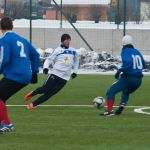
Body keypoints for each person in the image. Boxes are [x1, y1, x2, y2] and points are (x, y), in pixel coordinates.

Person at [0, 16, 40, 133]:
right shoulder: (22, 39)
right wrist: (35, 72)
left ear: (1, 27)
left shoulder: (4, 40)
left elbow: (4, 59)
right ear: (12, 26)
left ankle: (7, 124)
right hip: (25, 75)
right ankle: (3, 123)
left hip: (15, 75)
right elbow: (36, 55)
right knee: (2, 97)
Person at [24, 34, 79, 109]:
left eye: (69, 40)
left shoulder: (73, 51)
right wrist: (45, 68)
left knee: (50, 93)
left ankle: (33, 105)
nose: (68, 42)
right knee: (44, 89)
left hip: (65, 77)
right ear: (62, 41)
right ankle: (32, 93)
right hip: (55, 74)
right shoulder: (57, 50)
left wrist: (75, 72)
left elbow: (76, 61)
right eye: (66, 40)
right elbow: (49, 59)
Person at [101, 35, 145, 116]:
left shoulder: (125, 51)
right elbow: (143, 64)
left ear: (123, 44)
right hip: (138, 81)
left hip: (129, 78)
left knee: (111, 91)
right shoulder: (137, 51)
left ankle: (109, 111)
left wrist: (119, 71)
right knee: (126, 91)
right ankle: (122, 104)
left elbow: (128, 63)